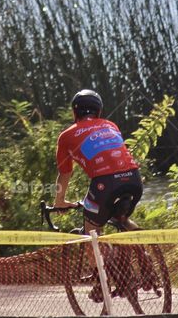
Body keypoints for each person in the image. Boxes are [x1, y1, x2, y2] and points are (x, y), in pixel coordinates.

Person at [52, 89, 142, 234]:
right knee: (121, 218)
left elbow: (65, 173)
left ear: (75, 112)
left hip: (105, 184)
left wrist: (59, 202)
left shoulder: (66, 136)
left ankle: (101, 256)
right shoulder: (111, 125)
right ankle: (146, 251)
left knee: (91, 234)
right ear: (98, 111)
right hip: (135, 179)